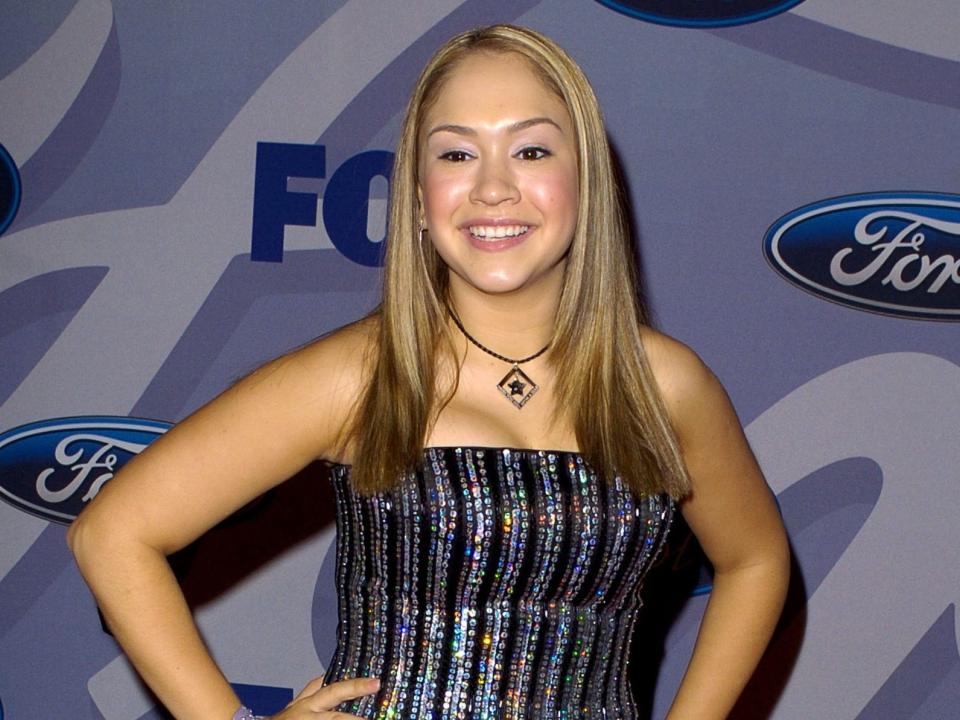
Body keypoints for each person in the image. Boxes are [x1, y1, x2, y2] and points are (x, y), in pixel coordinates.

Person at [69, 24, 790, 720]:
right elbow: (111, 534)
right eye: (455, 155)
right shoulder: (359, 375)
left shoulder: (664, 385)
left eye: (532, 150)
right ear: (417, 198)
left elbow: (756, 561)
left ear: (588, 182)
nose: (493, 188)